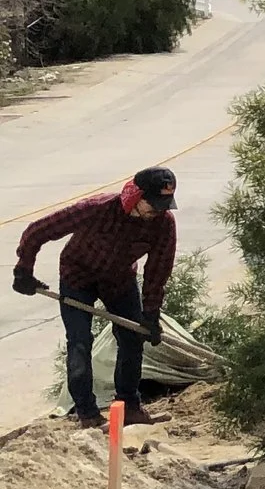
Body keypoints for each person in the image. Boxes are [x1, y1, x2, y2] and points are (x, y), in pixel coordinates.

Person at [11, 167, 177, 429]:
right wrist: (24, 270)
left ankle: (129, 407)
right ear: (134, 195)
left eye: (164, 205)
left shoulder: (163, 223)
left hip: (119, 281)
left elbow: (158, 269)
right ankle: (88, 414)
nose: (158, 211)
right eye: (153, 204)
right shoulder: (97, 208)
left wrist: (151, 313)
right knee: (79, 342)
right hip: (78, 277)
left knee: (133, 339)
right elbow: (39, 230)